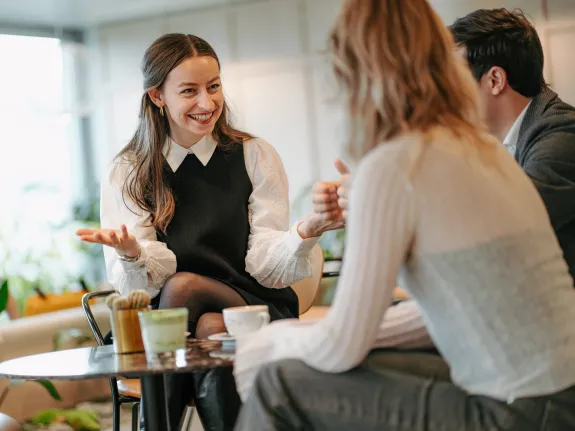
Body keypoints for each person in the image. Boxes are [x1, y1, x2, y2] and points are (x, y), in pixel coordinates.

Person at [232, 0, 575, 429]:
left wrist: (270, 341)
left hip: (519, 411)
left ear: (354, 72)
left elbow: (342, 345)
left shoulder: (396, 165)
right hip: (558, 394)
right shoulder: (481, 148)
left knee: (276, 383)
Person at [76, 33, 340, 430]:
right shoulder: (129, 169)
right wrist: (132, 254)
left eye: (213, 86)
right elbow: (139, 291)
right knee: (208, 325)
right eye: (189, 91)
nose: (207, 103)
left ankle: (156, 424)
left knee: (185, 287)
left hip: (251, 303)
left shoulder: (253, 155)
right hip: (171, 323)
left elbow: (268, 263)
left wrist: (308, 229)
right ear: (158, 97)